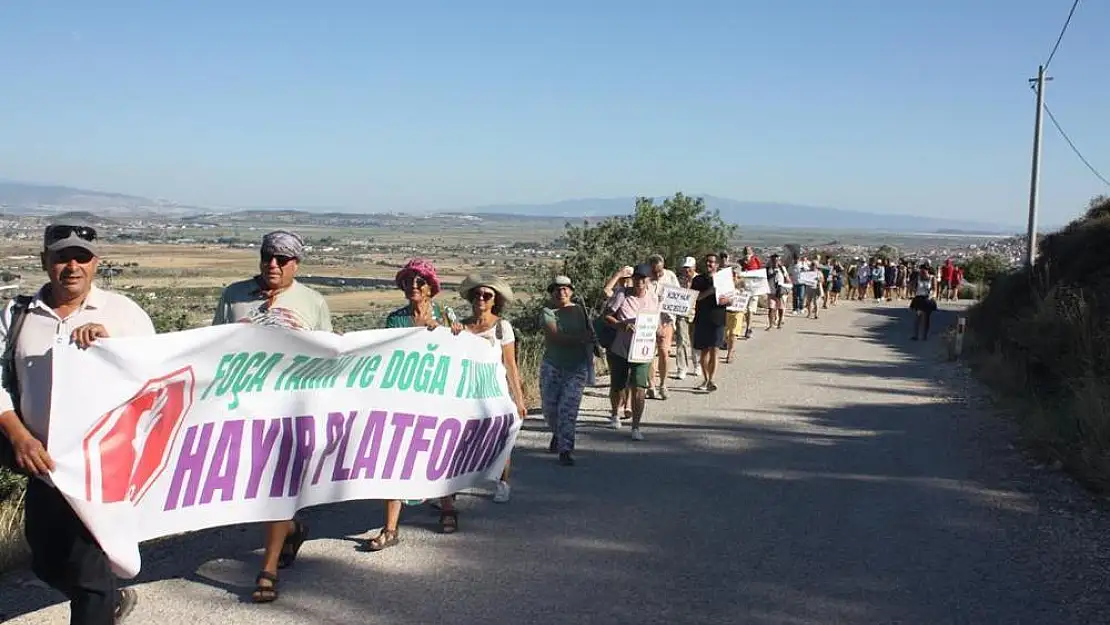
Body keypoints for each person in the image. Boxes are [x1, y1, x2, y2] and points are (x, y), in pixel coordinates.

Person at [0, 224, 155, 624]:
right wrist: (18, 435)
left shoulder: (123, 313)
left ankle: (101, 602)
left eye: (82, 257)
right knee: (46, 562)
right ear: (44, 262)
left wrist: (112, 345)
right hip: (42, 464)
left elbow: (155, 377)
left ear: (96, 263)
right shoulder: (17, 315)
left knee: (89, 576)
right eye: (62, 257)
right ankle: (110, 601)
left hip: (100, 468)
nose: (72, 266)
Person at [211, 230, 332, 604]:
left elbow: (329, 356)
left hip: (290, 410)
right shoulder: (235, 295)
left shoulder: (313, 302)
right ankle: (293, 528)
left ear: (297, 263)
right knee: (256, 483)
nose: (273, 265)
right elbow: (212, 347)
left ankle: (268, 567)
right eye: (267, 257)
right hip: (243, 409)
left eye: (282, 259)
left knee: (277, 486)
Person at [366, 259, 461, 551]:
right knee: (395, 458)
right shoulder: (396, 320)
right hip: (404, 400)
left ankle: (447, 507)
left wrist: (451, 332)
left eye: (419, 282)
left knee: (439, 454)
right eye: (408, 282)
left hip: (438, 399)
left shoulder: (446, 315)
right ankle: (390, 528)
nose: (413, 287)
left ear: (431, 287)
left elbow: (460, 348)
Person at [457, 274, 527, 503]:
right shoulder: (462, 327)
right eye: (477, 294)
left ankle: (503, 482)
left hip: (495, 393)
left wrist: (519, 399)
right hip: (467, 394)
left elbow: (511, 365)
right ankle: (453, 486)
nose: (481, 298)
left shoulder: (502, 327)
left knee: (501, 440)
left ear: (495, 300)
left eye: (487, 295)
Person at [540, 276, 593, 466]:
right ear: (552, 292)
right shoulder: (548, 312)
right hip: (553, 365)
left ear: (571, 291)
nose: (561, 292)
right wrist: (582, 339)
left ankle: (566, 449)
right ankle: (558, 433)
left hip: (577, 367)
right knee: (549, 409)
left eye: (565, 289)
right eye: (557, 289)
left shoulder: (580, 310)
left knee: (568, 410)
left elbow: (593, 332)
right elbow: (555, 337)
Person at [603, 264, 660, 440]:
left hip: (643, 350)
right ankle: (614, 413)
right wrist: (621, 324)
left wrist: (657, 331)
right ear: (633, 279)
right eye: (637, 279)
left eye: (643, 279)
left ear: (648, 280)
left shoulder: (654, 298)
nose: (639, 282)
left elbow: (655, 320)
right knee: (618, 385)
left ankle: (636, 426)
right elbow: (606, 315)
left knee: (639, 387)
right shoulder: (622, 294)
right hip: (621, 348)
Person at [690, 254, 730, 392]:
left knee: (715, 349)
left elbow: (731, 298)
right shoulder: (698, 280)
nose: (709, 264)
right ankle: (706, 379)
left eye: (712, 262)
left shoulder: (723, 279)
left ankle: (711, 379)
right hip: (702, 318)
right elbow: (694, 298)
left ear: (717, 265)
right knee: (704, 351)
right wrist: (710, 291)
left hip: (718, 318)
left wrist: (728, 300)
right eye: (707, 261)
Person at [645, 254, 679, 400]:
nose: (657, 275)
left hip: (666, 320)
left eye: (659, 271)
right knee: (649, 355)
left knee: (664, 352)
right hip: (649, 321)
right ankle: (651, 385)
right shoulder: (645, 279)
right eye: (654, 271)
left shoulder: (670, 276)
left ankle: (663, 384)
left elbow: (679, 296)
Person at [673, 256, 698, 379]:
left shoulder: (699, 280)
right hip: (682, 314)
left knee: (696, 341)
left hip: (697, 314)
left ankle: (697, 363)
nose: (686, 271)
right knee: (681, 340)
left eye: (689, 268)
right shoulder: (677, 281)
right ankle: (682, 367)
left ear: (694, 268)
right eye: (684, 268)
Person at [910, 263, 939, 340]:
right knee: (918, 316)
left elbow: (935, 289)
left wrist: (931, 295)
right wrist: (913, 290)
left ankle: (924, 335)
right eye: (921, 270)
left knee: (926, 318)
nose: (923, 272)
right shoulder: (918, 277)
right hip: (919, 298)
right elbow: (912, 285)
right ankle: (916, 335)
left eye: (924, 270)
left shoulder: (932, 278)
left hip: (927, 299)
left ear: (927, 270)